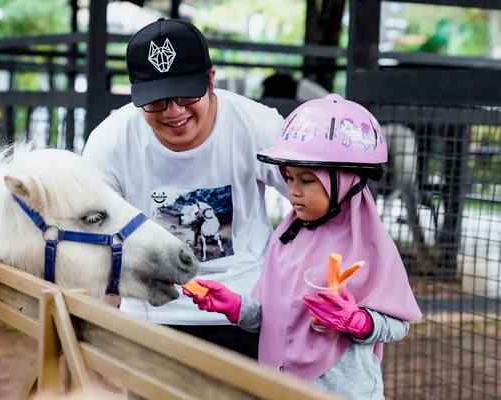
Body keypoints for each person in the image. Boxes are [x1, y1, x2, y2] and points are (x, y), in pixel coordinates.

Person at [183, 94, 422, 399]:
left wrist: (359, 322)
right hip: (281, 387)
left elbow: (399, 324)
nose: (293, 192)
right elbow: (274, 319)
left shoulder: (371, 246)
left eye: (307, 180)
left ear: (344, 181)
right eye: (289, 178)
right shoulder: (287, 238)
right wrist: (237, 306)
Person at [82, 18, 286, 359]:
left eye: (186, 94)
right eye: (156, 100)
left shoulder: (258, 125)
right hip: (151, 315)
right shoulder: (111, 140)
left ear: (210, 80)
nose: (174, 112)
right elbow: (94, 235)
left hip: (244, 311)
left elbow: (318, 203)